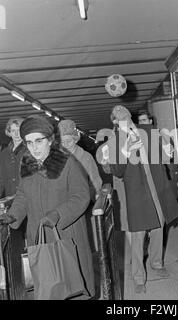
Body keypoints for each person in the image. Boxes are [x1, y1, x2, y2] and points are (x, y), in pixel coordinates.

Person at [0, 115, 95, 300]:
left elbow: (81, 196)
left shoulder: (66, 161)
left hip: (66, 234)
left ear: (50, 140)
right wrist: (11, 216)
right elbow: (22, 194)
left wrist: (58, 214)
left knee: (73, 285)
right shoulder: (27, 161)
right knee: (48, 287)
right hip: (39, 234)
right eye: (28, 142)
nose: (33, 147)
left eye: (38, 141)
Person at [102, 105, 178, 294]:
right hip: (136, 192)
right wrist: (127, 151)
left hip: (157, 186)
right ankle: (138, 277)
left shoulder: (148, 130)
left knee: (158, 227)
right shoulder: (113, 142)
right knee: (137, 233)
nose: (125, 120)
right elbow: (117, 171)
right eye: (120, 118)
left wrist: (168, 150)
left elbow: (165, 155)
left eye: (127, 116)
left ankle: (157, 263)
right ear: (114, 122)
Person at [0, 117, 28, 300]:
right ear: (8, 132)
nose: (16, 133)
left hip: (27, 199)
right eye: (13, 129)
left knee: (30, 237)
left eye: (19, 129)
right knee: (15, 238)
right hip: (10, 203)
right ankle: (19, 279)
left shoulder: (29, 149)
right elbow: (1, 179)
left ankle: (32, 275)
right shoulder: (3, 153)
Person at [58, 119, 102, 200]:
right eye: (62, 142)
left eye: (68, 141)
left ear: (75, 140)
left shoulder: (86, 157)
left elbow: (95, 179)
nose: (65, 145)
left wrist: (97, 195)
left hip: (81, 198)